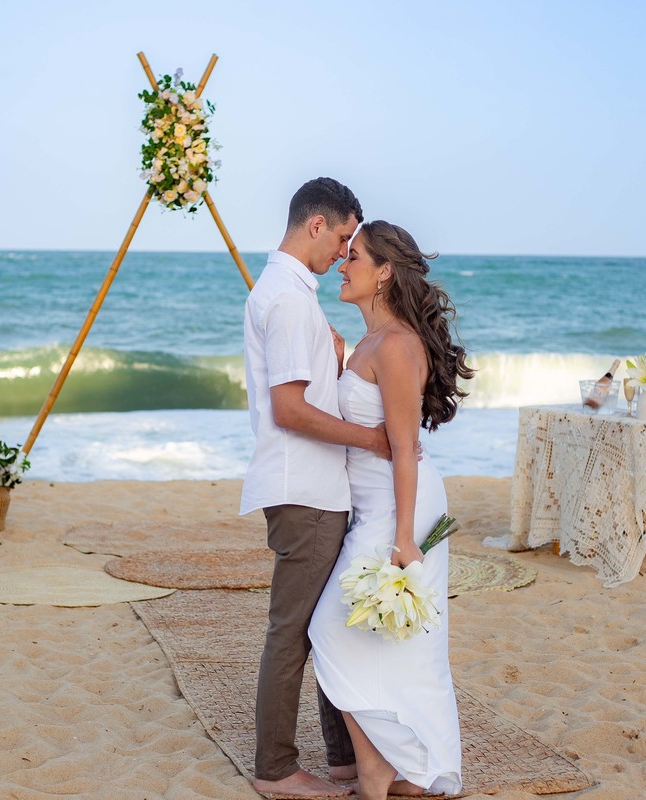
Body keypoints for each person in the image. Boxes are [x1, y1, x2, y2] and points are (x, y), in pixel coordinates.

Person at [308, 220, 475, 799]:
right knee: (368, 636)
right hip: (373, 506)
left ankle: (391, 766)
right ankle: (391, 768)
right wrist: (334, 365)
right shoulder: (369, 343)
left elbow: (404, 447)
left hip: (400, 507)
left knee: (334, 628)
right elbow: (357, 420)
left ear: (383, 272)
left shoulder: (399, 344)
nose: (341, 262)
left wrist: (405, 538)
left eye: (353, 256)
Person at [241, 178, 394, 797]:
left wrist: (333, 362)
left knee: (324, 626)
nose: (342, 252)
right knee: (295, 630)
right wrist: (373, 441)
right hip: (302, 489)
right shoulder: (287, 298)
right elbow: (289, 411)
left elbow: (304, 394)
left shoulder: (291, 295)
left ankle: (342, 758)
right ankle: (276, 768)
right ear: (316, 225)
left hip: (315, 487)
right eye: (342, 237)